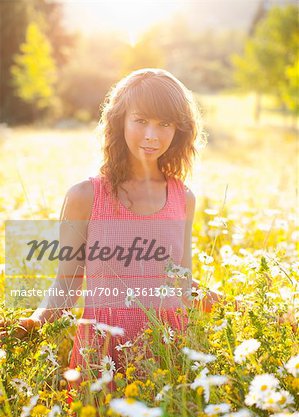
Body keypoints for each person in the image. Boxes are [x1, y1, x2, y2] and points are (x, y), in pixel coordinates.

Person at [0, 68, 220, 386]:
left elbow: (180, 283)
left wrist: (248, 309)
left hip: (167, 351)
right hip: (100, 353)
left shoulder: (182, 198)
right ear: (120, 121)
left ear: (179, 130)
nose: (151, 135)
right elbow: (67, 283)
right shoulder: (86, 196)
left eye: (165, 124)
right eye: (141, 120)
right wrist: (34, 321)